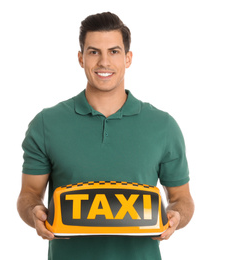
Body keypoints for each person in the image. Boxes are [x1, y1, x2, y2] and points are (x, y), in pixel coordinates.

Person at [17, 12, 194, 260]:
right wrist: (34, 211)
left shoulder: (163, 126)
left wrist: (177, 216)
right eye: (93, 52)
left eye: (113, 51)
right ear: (81, 58)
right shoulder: (46, 123)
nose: (104, 62)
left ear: (128, 58)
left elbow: (181, 199)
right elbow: (29, 194)